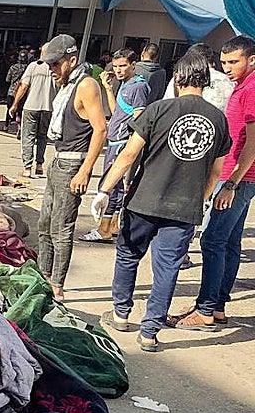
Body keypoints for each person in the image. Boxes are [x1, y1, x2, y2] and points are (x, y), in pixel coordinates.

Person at [97, 51, 231, 352]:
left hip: (144, 200)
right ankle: (150, 332)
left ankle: (121, 314)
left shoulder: (158, 109)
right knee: (168, 268)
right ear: (205, 80)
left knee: (128, 255)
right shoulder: (218, 120)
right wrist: (200, 198)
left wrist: (105, 190)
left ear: (178, 78)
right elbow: (216, 171)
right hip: (184, 207)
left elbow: (128, 155)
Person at [169, 35, 255, 331]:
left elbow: (253, 142)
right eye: (223, 62)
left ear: (252, 60)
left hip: (237, 178)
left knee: (212, 240)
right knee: (228, 242)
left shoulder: (251, 88)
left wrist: (231, 183)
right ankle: (215, 306)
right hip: (239, 177)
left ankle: (206, 309)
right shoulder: (242, 86)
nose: (227, 67)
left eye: (234, 62)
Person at [35, 34, 108, 302]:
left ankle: (57, 286)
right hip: (58, 160)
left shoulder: (86, 85)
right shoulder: (65, 85)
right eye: (49, 65)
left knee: (61, 228)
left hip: (73, 163)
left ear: (72, 60)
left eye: (56, 64)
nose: (52, 70)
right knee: (45, 224)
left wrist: (85, 170)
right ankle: (43, 275)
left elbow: (101, 129)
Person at [81, 48, 150, 243]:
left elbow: (138, 118)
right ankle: (112, 225)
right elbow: (118, 111)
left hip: (121, 142)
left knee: (110, 184)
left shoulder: (138, 87)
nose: (118, 70)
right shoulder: (126, 84)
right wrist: (108, 89)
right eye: (116, 66)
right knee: (115, 185)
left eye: (123, 66)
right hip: (115, 139)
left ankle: (104, 227)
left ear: (133, 65)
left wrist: (131, 144)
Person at [11, 44, 56, 177]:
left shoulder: (33, 66)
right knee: (42, 137)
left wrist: (15, 104)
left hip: (31, 106)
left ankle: (27, 168)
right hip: (49, 107)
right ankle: (39, 165)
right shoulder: (56, 67)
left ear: (41, 52)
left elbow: (23, 86)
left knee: (28, 137)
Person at [3, 48, 30, 131]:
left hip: (11, 91)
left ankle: (6, 126)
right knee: (20, 111)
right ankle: (19, 128)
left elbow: (7, 79)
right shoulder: (28, 68)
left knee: (9, 109)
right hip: (22, 92)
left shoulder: (13, 67)